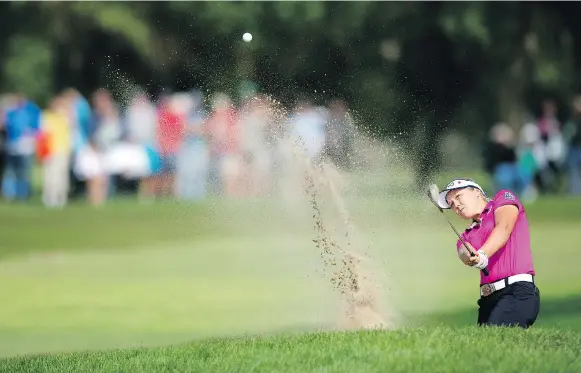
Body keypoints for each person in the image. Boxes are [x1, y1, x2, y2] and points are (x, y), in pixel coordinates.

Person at [436, 178, 540, 328]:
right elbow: (463, 252)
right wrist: (470, 256)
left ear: (477, 192)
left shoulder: (503, 199)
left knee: (498, 338)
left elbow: (504, 227)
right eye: (451, 204)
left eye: (458, 197)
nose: (456, 205)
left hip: (516, 292)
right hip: (487, 300)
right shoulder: (466, 236)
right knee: (484, 347)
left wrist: (483, 254)